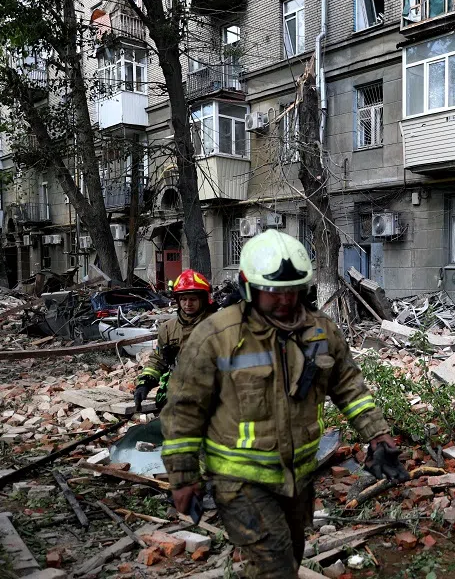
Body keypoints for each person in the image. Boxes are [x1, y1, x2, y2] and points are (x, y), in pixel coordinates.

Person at [160, 230, 408, 578]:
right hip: (239, 482)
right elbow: (184, 410)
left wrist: (379, 436)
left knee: (287, 557)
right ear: (248, 288)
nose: (285, 301)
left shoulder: (321, 332)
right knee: (276, 566)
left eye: (293, 291)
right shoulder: (217, 336)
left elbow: (350, 388)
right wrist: (184, 477)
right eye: (273, 292)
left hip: (298, 480)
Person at [134, 269, 214, 412]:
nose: (188, 304)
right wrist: (144, 383)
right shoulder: (167, 329)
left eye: (193, 299)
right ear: (177, 300)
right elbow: (158, 360)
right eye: (183, 299)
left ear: (203, 300)